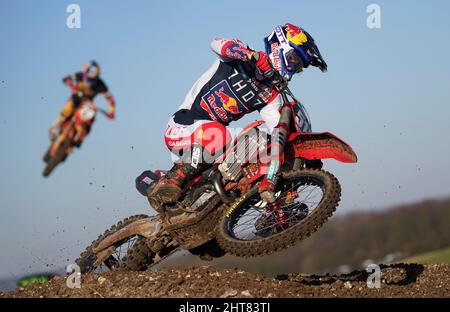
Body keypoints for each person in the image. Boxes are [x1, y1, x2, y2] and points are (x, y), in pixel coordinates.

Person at [149, 23, 327, 205]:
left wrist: (305, 154)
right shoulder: (239, 56)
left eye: (297, 68)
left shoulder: (270, 94)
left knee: (260, 145)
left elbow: (278, 129)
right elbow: (217, 44)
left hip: (211, 141)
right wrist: (252, 56)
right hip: (183, 125)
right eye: (293, 60)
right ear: (278, 47)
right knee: (218, 135)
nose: (292, 70)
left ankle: (265, 208)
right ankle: (170, 180)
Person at [48, 60, 116, 145]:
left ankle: (80, 138)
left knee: (91, 119)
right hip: (76, 98)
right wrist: (69, 82)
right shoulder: (80, 75)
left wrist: (112, 110)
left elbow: (109, 97)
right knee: (68, 109)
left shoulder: (100, 84)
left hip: (87, 103)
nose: (91, 75)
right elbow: (67, 78)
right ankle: (55, 127)